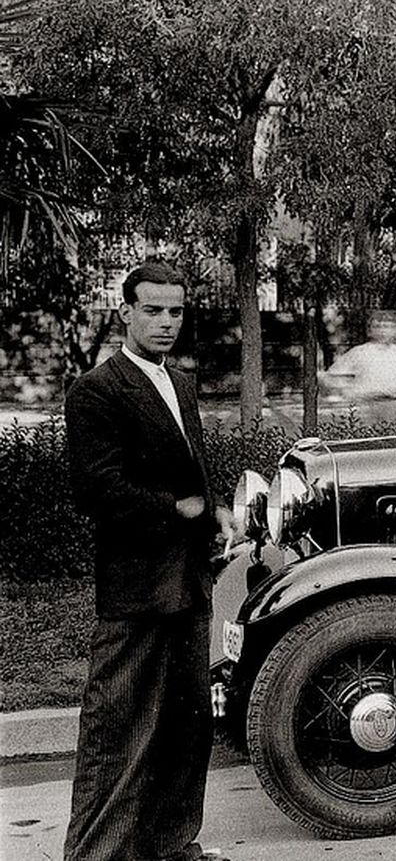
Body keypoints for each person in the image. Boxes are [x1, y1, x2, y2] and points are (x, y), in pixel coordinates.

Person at [62, 262, 236, 861]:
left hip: (188, 583)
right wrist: (180, 510)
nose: (167, 322)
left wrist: (215, 512)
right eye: (154, 310)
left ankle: (169, 842)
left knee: (186, 727)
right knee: (118, 729)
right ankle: (96, 854)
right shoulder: (98, 390)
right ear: (126, 312)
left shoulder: (179, 383)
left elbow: (191, 472)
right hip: (135, 589)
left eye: (176, 311)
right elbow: (98, 490)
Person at [320, 309, 396, 422]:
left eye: (387, 326)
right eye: (377, 326)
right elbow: (333, 376)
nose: (382, 331)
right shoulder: (359, 352)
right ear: (369, 330)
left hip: (395, 404)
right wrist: (350, 392)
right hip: (364, 406)